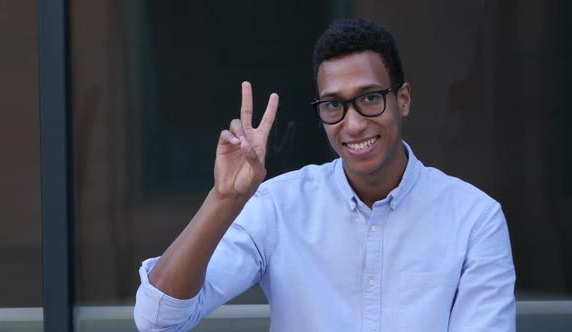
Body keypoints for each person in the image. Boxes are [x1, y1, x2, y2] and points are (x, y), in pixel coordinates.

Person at [134, 18, 516, 331]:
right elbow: (159, 319)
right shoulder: (278, 207)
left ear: (403, 99)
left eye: (369, 98)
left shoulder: (473, 219)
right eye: (334, 104)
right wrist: (225, 199)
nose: (352, 125)